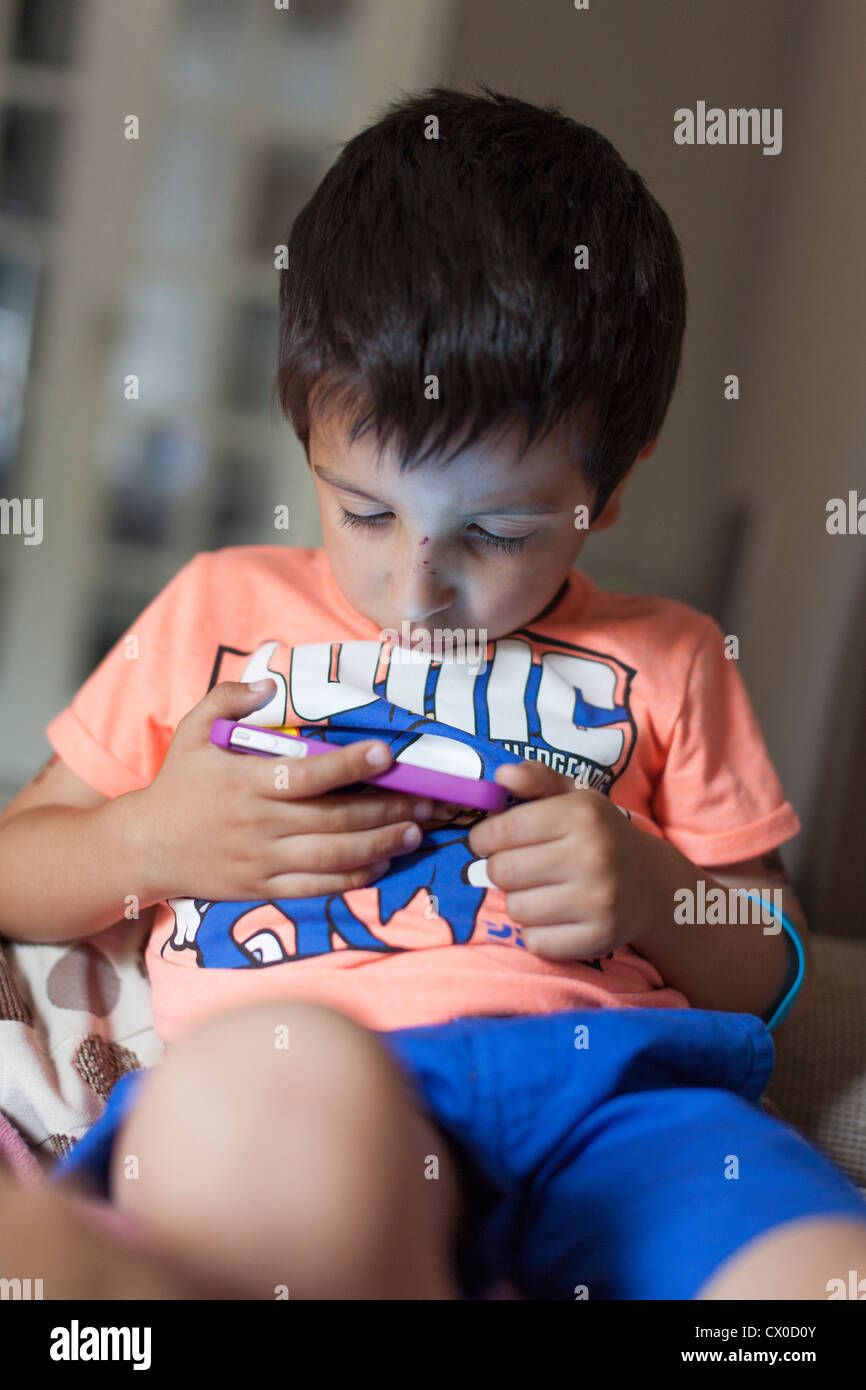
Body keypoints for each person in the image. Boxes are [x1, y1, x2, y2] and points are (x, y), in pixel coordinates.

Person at [1, 84, 865, 1301]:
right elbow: (16, 863)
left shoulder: (668, 653)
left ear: (604, 494)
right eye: (362, 511)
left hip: (616, 1106)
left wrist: (652, 889)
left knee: (824, 1281)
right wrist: (148, 838)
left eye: (497, 530)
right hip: (304, 1079)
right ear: (304, 433)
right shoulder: (212, 606)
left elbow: (773, 963)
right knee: (219, 1151)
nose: (416, 587)